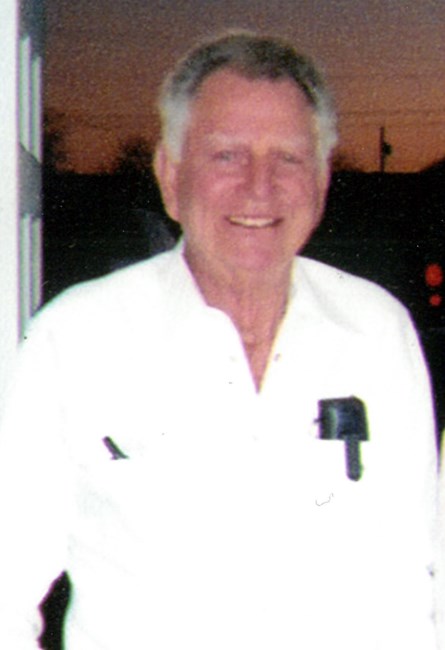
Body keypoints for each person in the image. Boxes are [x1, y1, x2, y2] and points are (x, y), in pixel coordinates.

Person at [0, 31, 438, 649]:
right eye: (227, 155)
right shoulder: (76, 337)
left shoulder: (376, 330)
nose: (260, 187)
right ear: (170, 175)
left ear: (321, 180)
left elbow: (420, 580)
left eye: (289, 158)